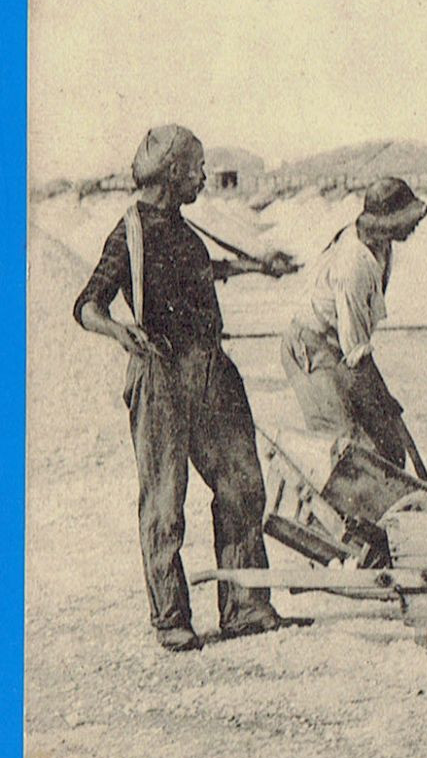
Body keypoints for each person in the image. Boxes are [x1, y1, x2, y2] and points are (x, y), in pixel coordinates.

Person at [73, 125, 290, 652]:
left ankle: (246, 606)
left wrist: (256, 266)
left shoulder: (181, 228)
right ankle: (171, 617)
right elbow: (87, 304)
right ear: (172, 173)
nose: (203, 176)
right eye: (197, 167)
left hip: (212, 371)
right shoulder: (129, 232)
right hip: (162, 375)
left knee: (242, 486)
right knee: (165, 503)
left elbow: (197, 272)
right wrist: (119, 332)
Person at [281, 177, 427, 473]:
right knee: (351, 450)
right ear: (387, 222)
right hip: (310, 350)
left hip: (341, 348)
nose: (414, 225)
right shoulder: (353, 267)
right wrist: (382, 396)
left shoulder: (382, 247)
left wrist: (383, 404)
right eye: (407, 219)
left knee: (388, 444)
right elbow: (357, 357)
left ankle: (392, 509)